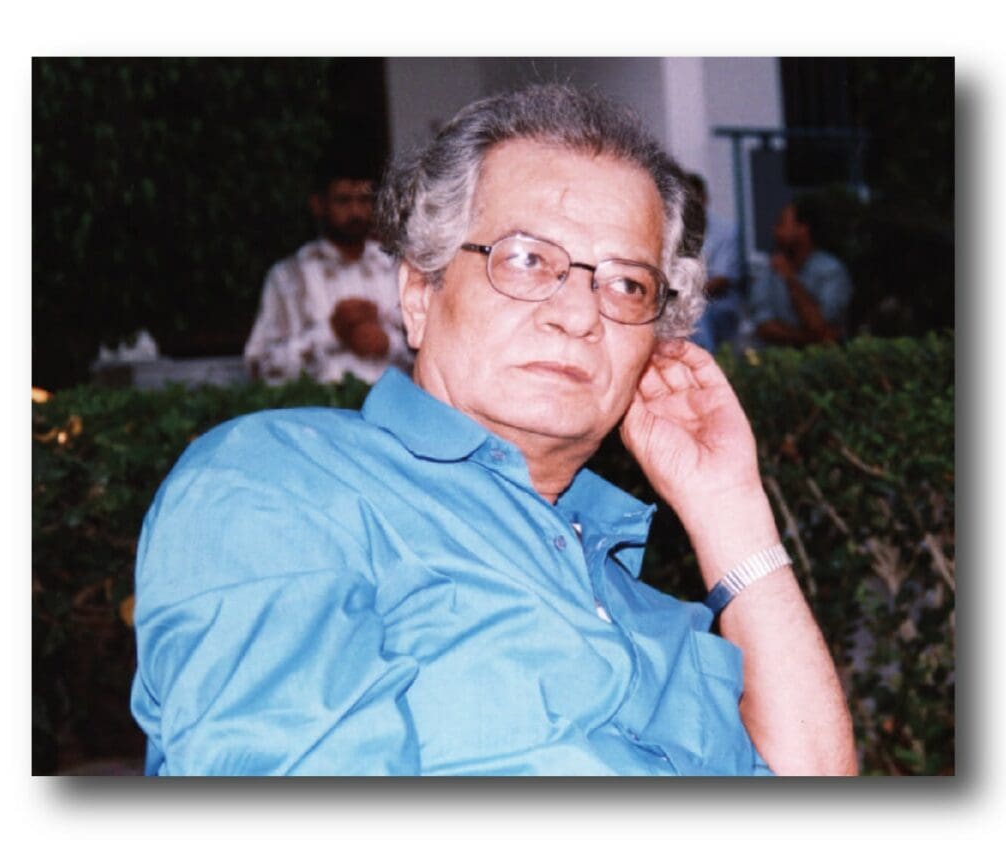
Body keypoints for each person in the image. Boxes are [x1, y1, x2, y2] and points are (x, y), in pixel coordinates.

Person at [131, 84, 856, 776]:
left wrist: (729, 508)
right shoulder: (287, 483)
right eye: (527, 260)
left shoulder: (647, 610)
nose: (579, 313)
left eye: (626, 284)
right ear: (420, 292)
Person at [243, 159, 412, 384]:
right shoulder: (288, 276)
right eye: (343, 200)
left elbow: (429, 354)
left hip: (391, 401)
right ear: (318, 205)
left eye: (364, 200)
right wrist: (331, 332)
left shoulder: (394, 269)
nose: (356, 212)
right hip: (318, 402)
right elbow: (259, 367)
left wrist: (388, 343)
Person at [748, 195, 853, 347]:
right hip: (778, 357)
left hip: (825, 358)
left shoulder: (831, 270)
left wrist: (790, 278)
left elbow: (819, 324)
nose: (775, 231)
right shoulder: (768, 269)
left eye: (781, 224)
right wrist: (811, 339)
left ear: (803, 229)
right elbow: (764, 327)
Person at [687, 173, 742, 352]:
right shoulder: (672, 230)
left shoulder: (726, 230)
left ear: (704, 199)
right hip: (680, 300)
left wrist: (683, 296)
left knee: (697, 313)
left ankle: (706, 363)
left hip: (718, 305)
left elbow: (720, 281)